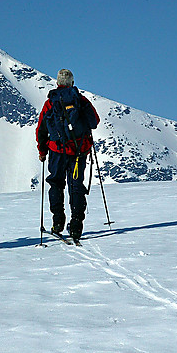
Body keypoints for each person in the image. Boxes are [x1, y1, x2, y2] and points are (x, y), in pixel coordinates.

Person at [36, 69, 100, 240]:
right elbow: (94, 122)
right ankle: (77, 225)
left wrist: (42, 151)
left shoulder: (50, 103)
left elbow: (41, 129)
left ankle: (58, 221)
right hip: (79, 151)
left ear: (57, 83)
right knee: (76, 185)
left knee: (56, 183)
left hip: (57, 152)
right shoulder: (81, 100)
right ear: (72, 82)